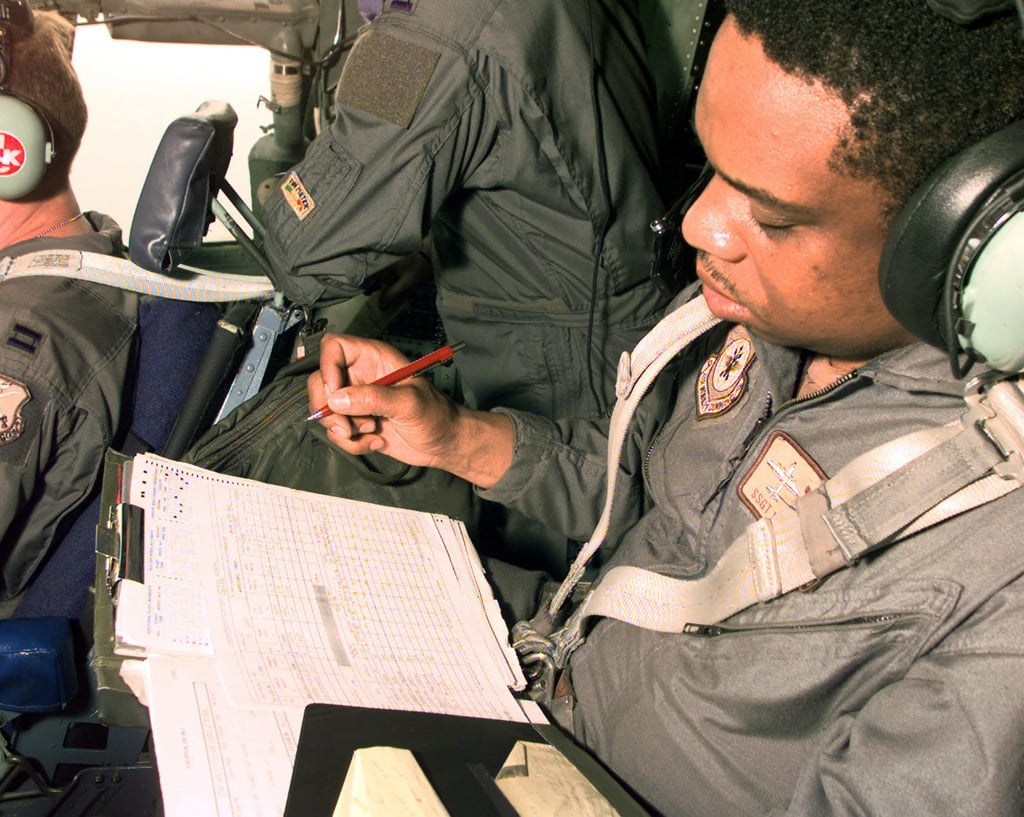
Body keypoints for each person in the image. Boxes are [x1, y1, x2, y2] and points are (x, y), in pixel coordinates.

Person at [305, 1, 1024, 814]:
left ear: (962, 241)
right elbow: (642, 498)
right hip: (542, 686)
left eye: (772, 216)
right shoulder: (758, 323)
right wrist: (453, 435)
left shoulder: (999, 576)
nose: (697, 223)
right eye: (711, 170)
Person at [261, 0, 670, 422]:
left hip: (561, 369)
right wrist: (430, 256)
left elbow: (304, 255)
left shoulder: (432, 28)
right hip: (628, 322)